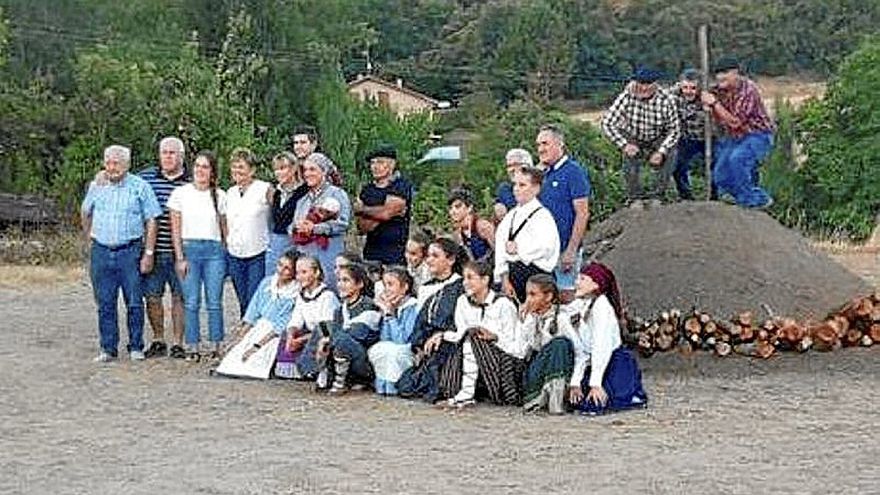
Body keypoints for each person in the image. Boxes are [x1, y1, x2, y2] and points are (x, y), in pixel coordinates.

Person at [82, 145, 162, 362]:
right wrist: (90, 236)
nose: (111, 167)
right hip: (101, 250)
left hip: (130, 251)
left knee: (135, 301)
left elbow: (152, 219)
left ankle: (136, 346)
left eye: (116, 163)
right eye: (108, 162)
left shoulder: (140, 187)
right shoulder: (96, 185)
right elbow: (85, 211)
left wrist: (149, 252)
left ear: (127, 164)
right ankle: (108, 348)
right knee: (105, 302)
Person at [169, 151, 228, 362]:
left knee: (214, 301)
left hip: (214, 252)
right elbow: (176, 229)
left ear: (212, 172)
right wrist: (180, 257)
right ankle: (192, 345)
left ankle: (216, 344)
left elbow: (224, 228)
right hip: (189, 249)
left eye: (205, 167)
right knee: (191, 301)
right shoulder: (180, 194)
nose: (200, 171)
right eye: (197, 166)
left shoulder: (220, 196)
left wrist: (225, 251)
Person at [567, 262, 648, 415]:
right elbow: (582, 349)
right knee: (576, 401)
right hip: (593, 363)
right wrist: (575, 381)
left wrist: (596, 383)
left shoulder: (602, 308)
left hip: (613, 361)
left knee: (597, 402)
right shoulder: (582, 305)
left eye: (583, 279)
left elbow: (601, 346)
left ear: (596, 284)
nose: (577, 282)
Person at [444, 260, 526, 408]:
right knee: (468, 336)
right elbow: (460, 333)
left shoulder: (503, 304)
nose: (465, 283)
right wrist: (442, 335)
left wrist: (494, 337)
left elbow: (515, 344)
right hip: (471, 351)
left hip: (502, 358)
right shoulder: (462, 301)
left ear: (485, 279)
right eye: (464, 278)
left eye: (470, 278)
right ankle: (455, 389)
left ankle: (466, 393)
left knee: (474, 337)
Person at [396, 238, 466, 403]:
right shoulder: (425, 288)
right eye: (428, 256)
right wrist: (418, 345)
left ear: (450, 259)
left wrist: (442, 334)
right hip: (427, 344)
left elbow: (461, 319)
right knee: (405, 385)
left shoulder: (460, 285)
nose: (429, 260)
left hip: (450, 342)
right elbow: (421, 320)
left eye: (435, 256)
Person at [139, 136, 190, 359]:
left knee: (180, 297)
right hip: (153, 250)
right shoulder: (145, 178)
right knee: (152, 296)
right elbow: (120, 180)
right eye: (164, 152)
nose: (167, 157)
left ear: (182, 156)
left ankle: (178, 343)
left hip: (182, 250)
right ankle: (158, 339)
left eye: (172, 153)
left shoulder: (192, 180)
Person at [701, 57, 775, 209]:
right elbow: (696, 92)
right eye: (718, 74)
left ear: (736, 73)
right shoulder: (718, 89)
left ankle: (755, 201)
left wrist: (714, 104)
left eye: (725, 73)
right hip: (735, 137)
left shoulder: (748, 90)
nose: (720, 77)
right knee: (720, 175)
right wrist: (703, 98)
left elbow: (735, 122)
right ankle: (747, 197)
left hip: (758, 135)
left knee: (738, 160)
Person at [213, 249, 300, 379]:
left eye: (287, 268)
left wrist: (257, 345)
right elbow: (252, 313)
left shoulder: (295, 293)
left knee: (255, 360)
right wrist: (238, 339)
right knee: (234, 357)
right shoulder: (267, 283)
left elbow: (281, 325)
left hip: (274, 333)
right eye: (280, 265)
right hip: (259, 326)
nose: (281, 270)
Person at [601, 67, 681, 207]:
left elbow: (674, 130)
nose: (643, 88)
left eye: (648, 84)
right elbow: (607, 122)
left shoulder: (667, 99)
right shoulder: (626, 96)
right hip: (633, 134)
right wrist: (624, 144)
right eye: (641, 83)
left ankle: (658, 195)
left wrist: (661, 151)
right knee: (629, 158)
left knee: (671, 153)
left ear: (656, 84)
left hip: (657, 135)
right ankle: (634, 197)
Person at [535, 124, 591, 303]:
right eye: (538, 145)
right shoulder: (543, 175)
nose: (541, 149)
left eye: (545, 143)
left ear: (559, 144)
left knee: (567, 298)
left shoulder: (573, 171)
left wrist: (571, 250)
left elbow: (582, 213)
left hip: (564, 250)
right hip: (543, 252)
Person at [519, 274, 585, 415]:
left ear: (548, 297)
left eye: (533, 295)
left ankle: (556, 399)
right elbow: (523, 349)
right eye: (527, 295)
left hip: (559, 366)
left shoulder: (560, 318)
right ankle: (538, 398)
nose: (528, 300)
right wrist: (525, 322)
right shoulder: (530, 318)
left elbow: (580, 353)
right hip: (538, 369)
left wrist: (575, 382)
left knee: (560, 344)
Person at [494, 167, 559, 304]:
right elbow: (500, 249)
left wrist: (520, 249)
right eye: (515, 185)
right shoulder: (510, 216)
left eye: (522, 185)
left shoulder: (543, 216)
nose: (516, 189)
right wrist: (505, 280)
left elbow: (547, 247)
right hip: (513, 276)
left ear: (536, 188)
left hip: (536, 276)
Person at [291, 152, 351, 290]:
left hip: (328, 254)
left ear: (323, 171)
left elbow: (343, 224)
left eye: (312, 169)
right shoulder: (303, 200)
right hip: (306, 255)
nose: (307, 173)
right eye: (305, 170)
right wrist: (297, 227)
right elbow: (293, 225)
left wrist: (315, 228)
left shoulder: (337, 194)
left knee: (329, 289)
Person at [226, 147, 272, 317]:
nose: (237, 171)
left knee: (255, 296)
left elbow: (280, 212)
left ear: (252, 170)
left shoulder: (264, 188)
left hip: (257, 252)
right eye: (234, 166)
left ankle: (255, 333)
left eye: (241, 167)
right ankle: (245, 331)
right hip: (235, 252)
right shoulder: (230, 193)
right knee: (242, 298)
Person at [278, 256, 340, 381]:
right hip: (309, 333)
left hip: (323, 334)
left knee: (319, 342)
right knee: (286, 334)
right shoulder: (302, 296)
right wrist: (291, 336)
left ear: (316, 273)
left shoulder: (327, 296)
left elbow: (326, 327)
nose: (299, 277)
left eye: (304, 272)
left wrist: (300, 340)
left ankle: (314, 369)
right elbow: (296, 321)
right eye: (297, 273)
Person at [323, 263, 382, 394]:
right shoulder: (339, 311)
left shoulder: (369, 306)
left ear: (359, 284)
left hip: (366, 362)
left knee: (341, 340)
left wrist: (330, 338)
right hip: (346, 359)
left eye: (346, 280)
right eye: (339, 280)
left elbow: (359, 332)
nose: (340, 285)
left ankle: (346, 382)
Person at [354, 144, 414, 266]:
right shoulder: (367, 190)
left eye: (380, 162)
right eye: (372, 163)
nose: (375, 167)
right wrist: (383, 211)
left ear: (392, 164)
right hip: (371, 255)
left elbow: (385, 214)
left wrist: (363, 209)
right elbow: (362, 227)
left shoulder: (401, 186)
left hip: (396, 256)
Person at [368, 267, 420, 395]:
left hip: (409, 352)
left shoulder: (413, 307)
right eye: (385, 285)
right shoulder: (390, 306)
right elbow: (385, 339)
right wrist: (386, 313)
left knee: (395, 351)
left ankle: (394, 386)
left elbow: (403, 340)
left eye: (390, 284)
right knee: (380, 349)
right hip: (392, 347)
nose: (386, 289)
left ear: (404, 287)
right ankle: (383, 386)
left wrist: (391, 316)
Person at [266, 152, 308, 273]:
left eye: (282, 168)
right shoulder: (277, 192)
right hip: (275, 243)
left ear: (293, 168)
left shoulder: (303, 191)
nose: (278, 173)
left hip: (294, 243)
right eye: (276, 169)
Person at [671, 69, 709, 201]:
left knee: (713, 166)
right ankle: (686, 196)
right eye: (685, 87)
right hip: (687, 138)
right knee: (677, 167)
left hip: (708, 138)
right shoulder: (674, 94)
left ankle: (713, 197)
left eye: (693, 88)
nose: (688, 91)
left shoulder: (707, 97)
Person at [448, 187, 495, 262]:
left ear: (469, 207)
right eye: (450, 208)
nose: (452, 211)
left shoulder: (482, 226)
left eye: (457, 207)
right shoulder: (457, 234)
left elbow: (499, 251)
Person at [493, 148, 534, 223]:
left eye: (515, 164)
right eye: (509, 166)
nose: (511, 169)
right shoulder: (504, 189)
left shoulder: (538, 187)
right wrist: (497, 206)